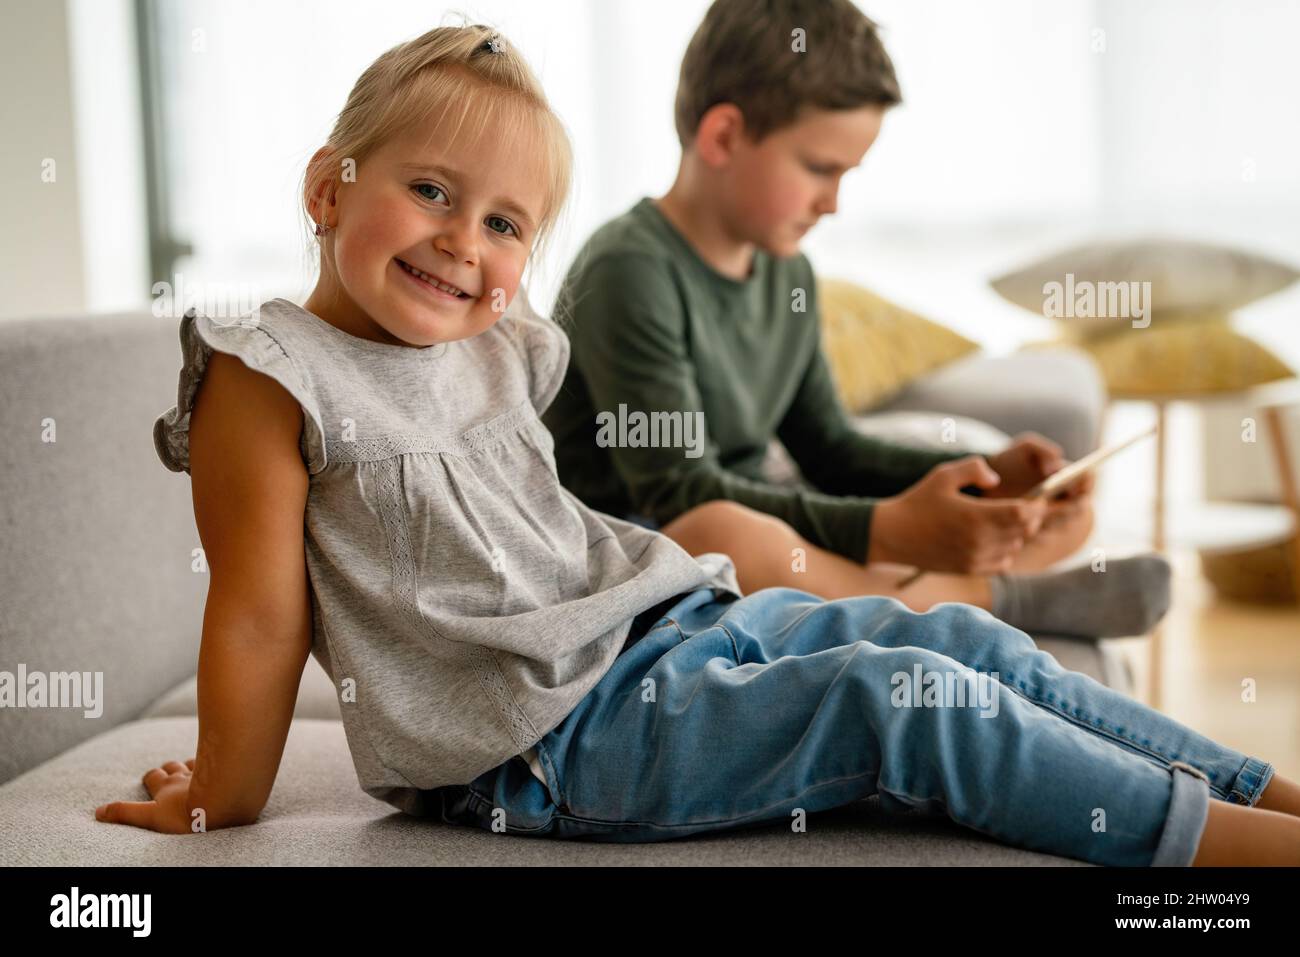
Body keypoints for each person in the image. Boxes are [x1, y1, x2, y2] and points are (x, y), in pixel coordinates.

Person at [96, 24, 1300, 866]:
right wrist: (221, 791)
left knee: (949, 636)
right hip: (538, 744)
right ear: (327, 186)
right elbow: (259, 614)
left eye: (505, 222)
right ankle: (1233, 850)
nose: (464, 241)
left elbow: (743, 462)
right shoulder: (268, 373)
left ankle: (1267, 790)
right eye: (429, 191)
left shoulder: (498, 341)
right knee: (896, 699)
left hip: (654, 624)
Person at [544, 0, 1170, 640]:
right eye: (820, 168)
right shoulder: (629, 268)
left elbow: (830, 447)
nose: (835, 203)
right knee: (724, 530)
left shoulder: (789, 275)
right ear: (724, 136)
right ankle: (998, 599)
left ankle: (951, 585)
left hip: (754, 526)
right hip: (640, 547)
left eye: (847, 174)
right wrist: (889, 528)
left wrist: (990, 478)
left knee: (1043, 513)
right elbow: (679, 491)